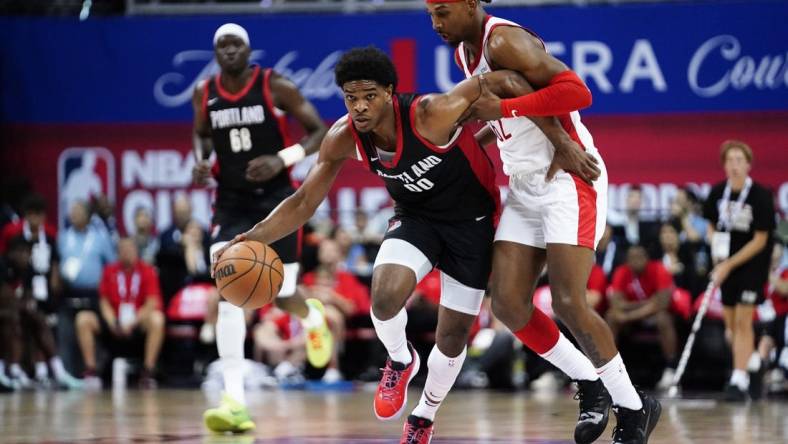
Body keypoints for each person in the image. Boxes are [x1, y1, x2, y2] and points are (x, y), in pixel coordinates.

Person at [214, 46, 598, 443]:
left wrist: (561, 139)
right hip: (417, 219)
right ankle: (400, 358)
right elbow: (304, 201)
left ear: (390, 93)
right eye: (350, 98)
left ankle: (424, 415)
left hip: (473, 224)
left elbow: (502, 82)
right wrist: (251, 236)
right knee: (383, 296)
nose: (359, 106)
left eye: (369, 96)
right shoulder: (344, 136)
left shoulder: (431, 112)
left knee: (452, 338)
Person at [425, 1, 661, 442]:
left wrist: (518, 118)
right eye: (430, 15)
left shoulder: (503, 40)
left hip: (567, 178)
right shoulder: (464, 50)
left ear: (471, 4)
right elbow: (505, 113)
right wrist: (479, 137)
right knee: (509, 305)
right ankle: (589, 382)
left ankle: (634, 408)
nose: (436, 24)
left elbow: (577, 93)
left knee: (570, 302)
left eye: (443, 12)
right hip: (523, 182)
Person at [191, 23, 331, 433]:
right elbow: (200, 136)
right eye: (222, 45)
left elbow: (319, 132)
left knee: (282, 292)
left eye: (236, 44)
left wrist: (282, 159)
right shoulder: (204, 93)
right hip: (230, 202)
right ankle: (234, 400)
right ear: (216, 52)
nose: (229, 51)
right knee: (230, 291)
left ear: (248, 50)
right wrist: (202, 161)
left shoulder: (275, 85)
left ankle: (313, 319)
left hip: (276, 201)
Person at [702, 140, 776, 401]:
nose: (734, 165)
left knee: (744, 321)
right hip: (725, 266)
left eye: (739, 160)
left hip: (750, 266)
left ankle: (738, 379)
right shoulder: (717, 192)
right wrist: (716, 252)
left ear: (748, 164)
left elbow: (761, 239)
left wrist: (729, 264)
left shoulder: (760, 195)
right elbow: (711, 226)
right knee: (731, 325)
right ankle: (752, 358)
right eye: (729, 160)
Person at [75, 238, 165, 389]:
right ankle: (91, 371)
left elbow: (151, 302)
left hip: (136, 323)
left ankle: (148, 371)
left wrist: (133, 322)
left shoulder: (147, 270)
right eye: (122, 249)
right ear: (117, 253)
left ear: (136, 251)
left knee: (157, 319)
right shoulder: (109, 270)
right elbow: (104, 302)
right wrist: (113, 322)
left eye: (129, 249)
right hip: (113, 323)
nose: (126, 253)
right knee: (83, 319)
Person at [607, 245, 678, 391]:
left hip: (651, 316)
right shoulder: (622, 271)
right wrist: (647, 303)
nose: (636, 260)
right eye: (632, 258)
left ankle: (671, 368)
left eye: (640, 256)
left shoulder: (658, 269)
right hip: (633, 317)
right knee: (611, 317)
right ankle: (607, 367)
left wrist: (630, 314)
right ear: (627, 260)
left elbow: (661, 303)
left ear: (647, 258)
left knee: (663, 319)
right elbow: (616, 302)